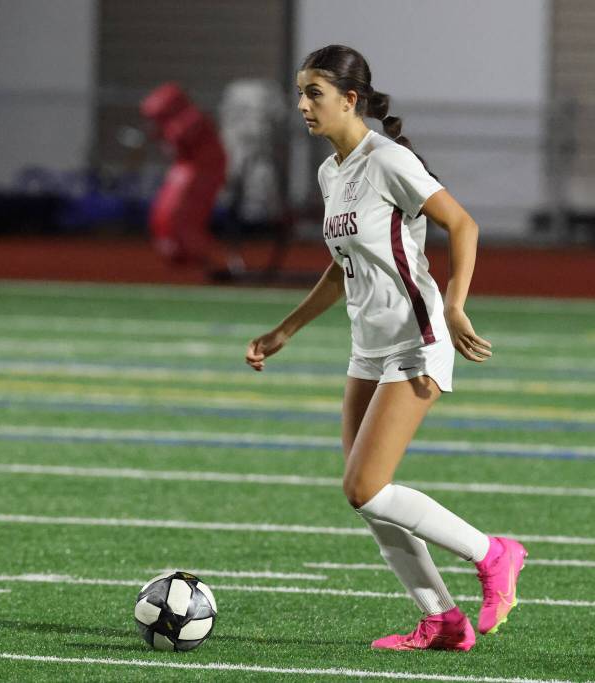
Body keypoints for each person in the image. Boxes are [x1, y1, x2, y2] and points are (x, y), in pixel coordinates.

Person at [245, 44, 527, 651]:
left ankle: (494, 553)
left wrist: (453, 303)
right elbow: (340, 266)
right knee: (368, 497)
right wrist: (286, 329)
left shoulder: (388, 160)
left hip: (416, 339)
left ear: (351, 100)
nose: (301, 105)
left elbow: (463, 224)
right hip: (368, 346)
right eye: (299, 93)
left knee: (365, 486)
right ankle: (443, 621)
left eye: (313, 94)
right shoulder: (330, 172)